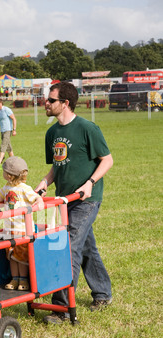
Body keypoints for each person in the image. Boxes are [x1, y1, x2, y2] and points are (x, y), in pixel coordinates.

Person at [35, 81, 113, 323]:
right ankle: (103, 293)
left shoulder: (87, 128)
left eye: (51, 100)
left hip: (86, 200)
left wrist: (90, 182)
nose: (45, 103)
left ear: (65, 103)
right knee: (87, 247)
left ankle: (61, 308)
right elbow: (57, 166)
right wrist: (45, 181)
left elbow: (107, 160)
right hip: (63, 200)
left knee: (67, 245)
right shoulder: (52, 133)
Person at [0, 156, 44, 291]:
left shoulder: (24, 188)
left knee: (21, 258)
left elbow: (36, 197)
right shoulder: (6, 187)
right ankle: (15, 279)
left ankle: (24, 279)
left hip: (22, 229)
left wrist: (39, 201)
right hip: (9, 230)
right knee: (12, 257)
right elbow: (0, 196)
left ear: (9, 175)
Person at [0, 98, 17, 170]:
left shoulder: (6, 110)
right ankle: (14, 162)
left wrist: (14, 130)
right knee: (8, 147)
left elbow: (14, 119)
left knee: (3, 145)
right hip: (2, 131)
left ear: (0, 103)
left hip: (8, 130)